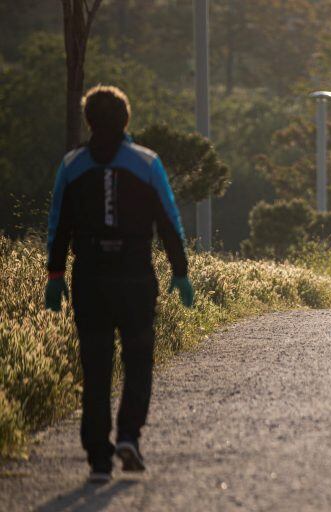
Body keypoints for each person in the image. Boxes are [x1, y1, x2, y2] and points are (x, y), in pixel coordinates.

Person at [45, 85, 194, 483]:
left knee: (96, 366)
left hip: (89, 278)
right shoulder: (146, 162)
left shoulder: (72, 165)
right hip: (134, 276)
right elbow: (168, 221)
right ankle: (129, 435)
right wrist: (180, 272)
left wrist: (54, 275)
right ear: (126, 119)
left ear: (88, 120)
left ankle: (97, 456)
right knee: (138, 359)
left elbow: (58, 226)